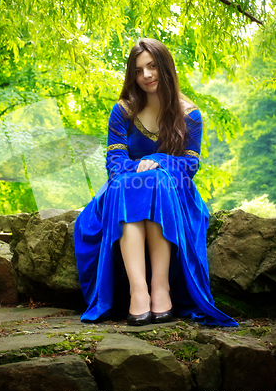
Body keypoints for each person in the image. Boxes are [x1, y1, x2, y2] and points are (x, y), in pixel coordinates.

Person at [74, 38, 237, 327]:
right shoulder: (122, 111)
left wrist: (160, 160)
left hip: (173, 190)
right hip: (125, 188)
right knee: (130, 184)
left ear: (165, 67)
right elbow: (114, 165)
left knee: (157, 181)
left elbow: (189, 165)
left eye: (151, 66)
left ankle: (161, 288)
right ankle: (139, 291)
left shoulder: (190, 115)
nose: (146, 75)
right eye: (138, 70)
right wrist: (139, 167)